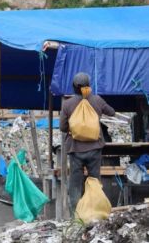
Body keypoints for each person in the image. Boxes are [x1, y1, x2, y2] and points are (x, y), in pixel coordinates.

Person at [60, 72, 115, 215]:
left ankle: (75, 216)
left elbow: (62, 127)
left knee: (75, 184)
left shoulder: (68, 104)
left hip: (75, 149)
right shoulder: (97, 100)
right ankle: (95, 213)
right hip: (95, 148)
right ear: (89, 86)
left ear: (74, 87)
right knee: (95, 181)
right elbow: (112, 112)